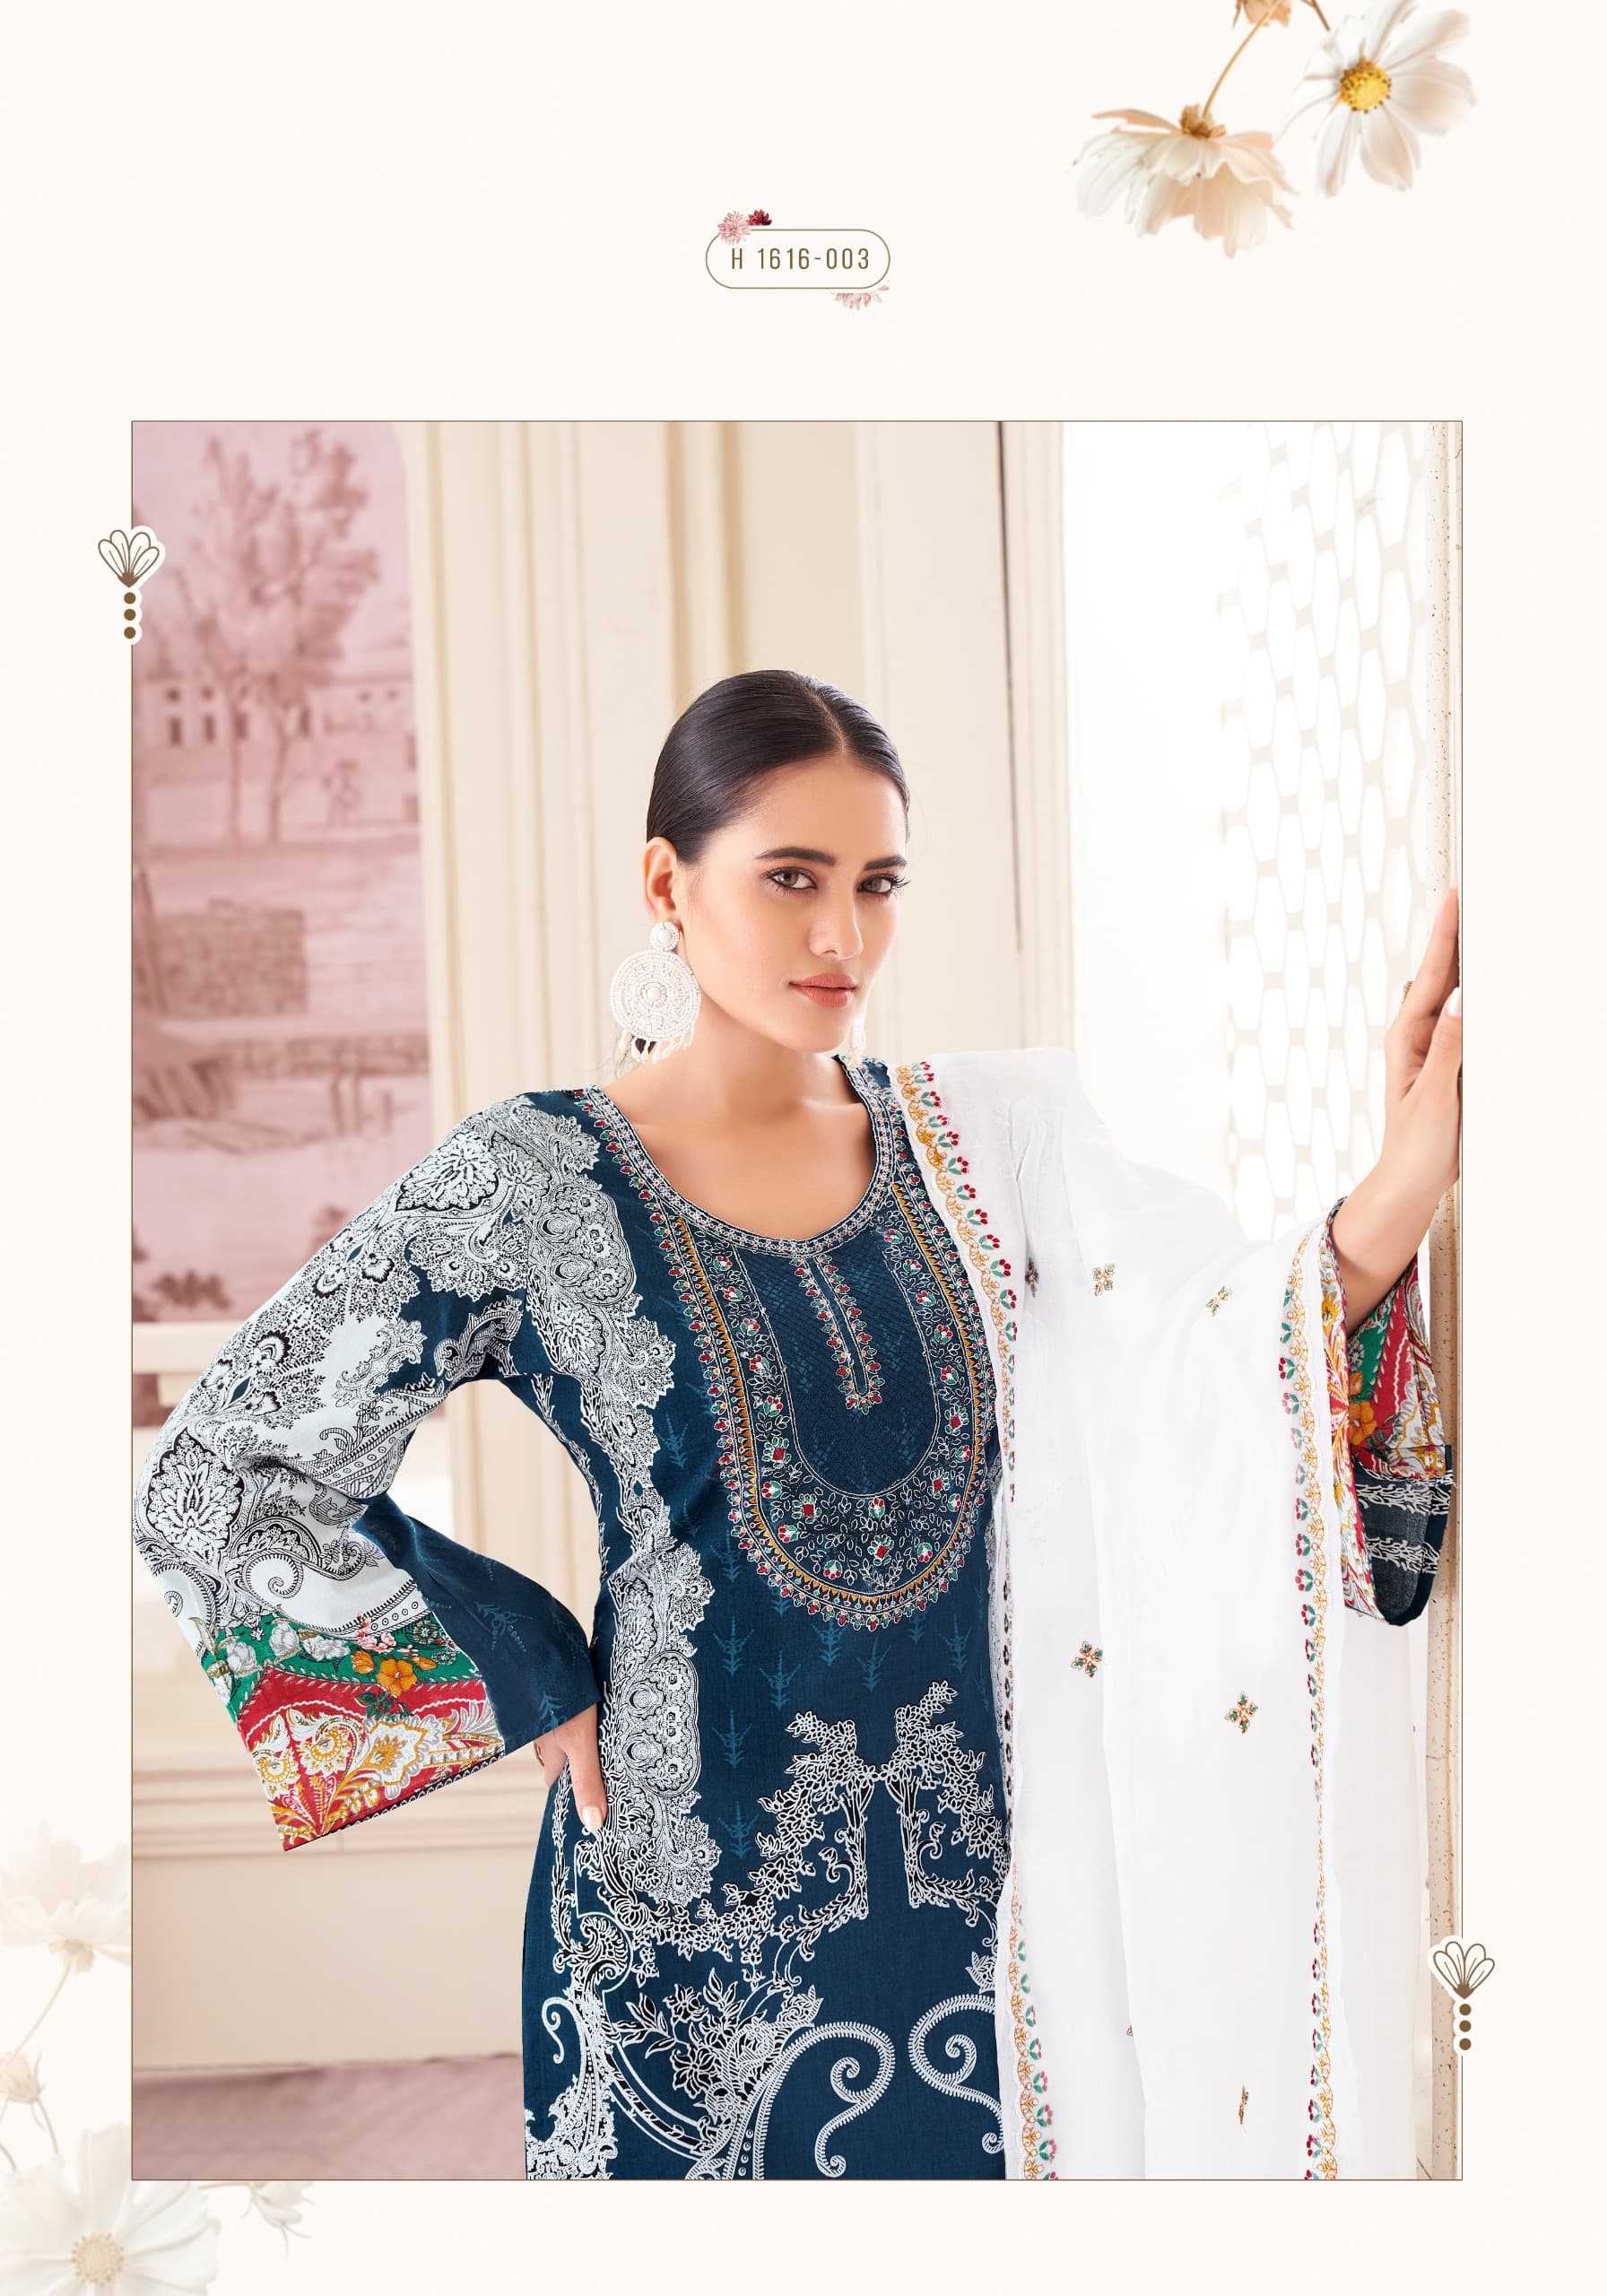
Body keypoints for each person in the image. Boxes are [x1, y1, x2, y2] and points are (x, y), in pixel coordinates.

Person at [132, 667, 1459, 2181]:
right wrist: (519, 1655)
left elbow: (1215, 1351)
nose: (844, 937)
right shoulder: (530, 1178)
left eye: (878, 883)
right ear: (667, 885)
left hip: (999, 1929)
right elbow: (221, 1467)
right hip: (678, 1941)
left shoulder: (994, 1151)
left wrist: (1407, 1172)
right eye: (791, 879)